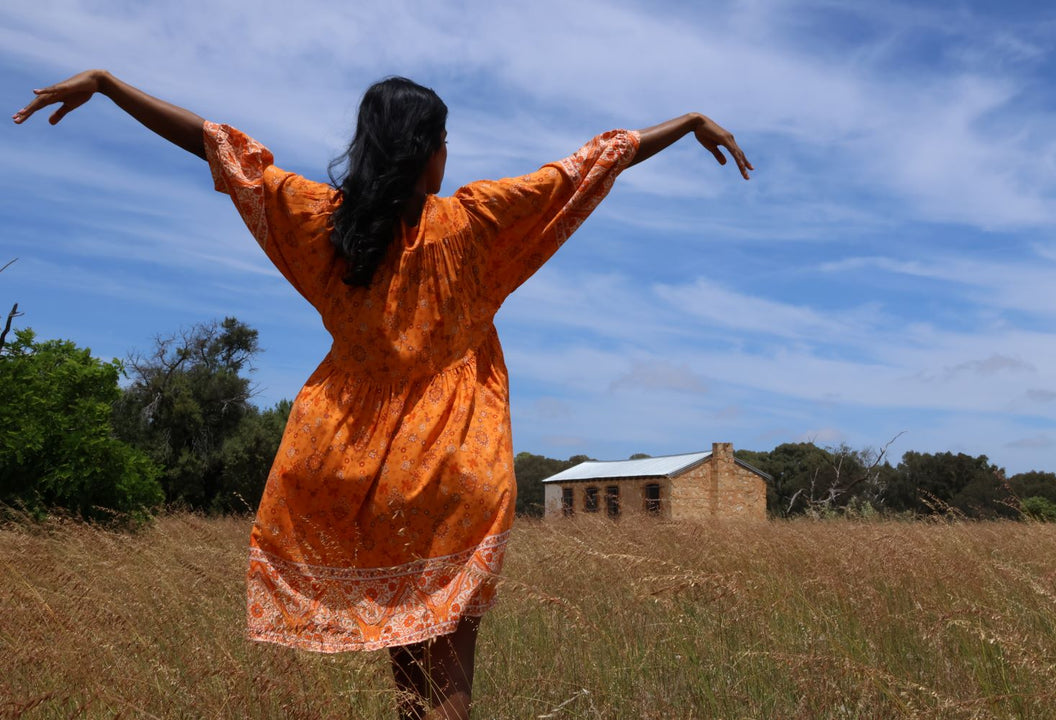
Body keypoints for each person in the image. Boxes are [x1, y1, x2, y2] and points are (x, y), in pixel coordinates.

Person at [14, 69, 752, 720]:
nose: (449, 154)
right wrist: (681, 125)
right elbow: (582, 169)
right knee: (450, 663)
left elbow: (222, 151)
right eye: (443, 140)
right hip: (457, 460)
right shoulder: (474, 219)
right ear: (423, 149)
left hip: (356, 469)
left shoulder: (328, 225)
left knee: (405, 661)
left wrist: (110, 88)